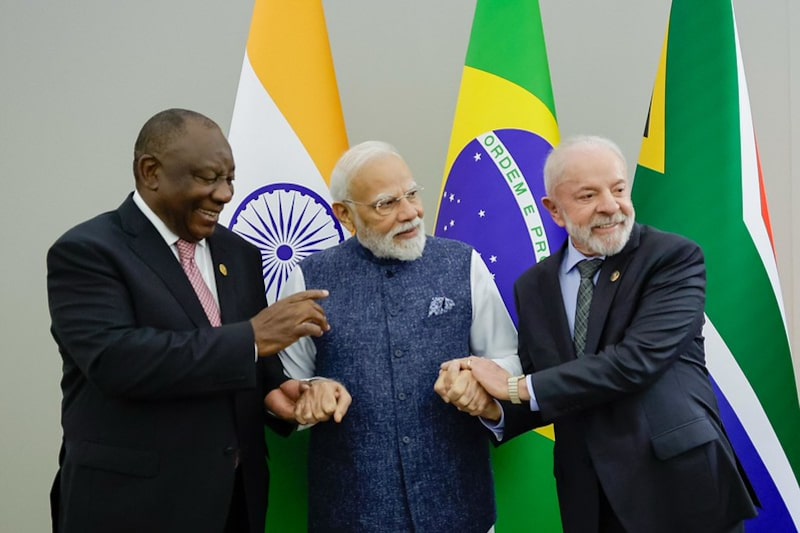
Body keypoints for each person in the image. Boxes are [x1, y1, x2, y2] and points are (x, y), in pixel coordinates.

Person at [438, 135, 759, 532]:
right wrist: (490, 405)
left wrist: (515, 387)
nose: (610, 205)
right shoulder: (533, 287)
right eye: (588, 195)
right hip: (590, 500)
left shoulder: (672, 258)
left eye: (618, 189)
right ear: (554, 211)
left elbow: (635, 362)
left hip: (679, 489)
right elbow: (550, 386)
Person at [47, 108, 330, 533]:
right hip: (133, 507)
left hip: (235, 504)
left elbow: (249, 361)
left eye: (230, 179)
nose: (225, 194)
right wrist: (251, 339)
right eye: (208, 178)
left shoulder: (239, 254)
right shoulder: (88, 252)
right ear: (151, 172)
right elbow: (116, 361)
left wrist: (276, 393)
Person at [265, 140, 522, 532]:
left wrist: (479, 382)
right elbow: (286, 384)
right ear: (345, 214)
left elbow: (508, 359)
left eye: (413, 194)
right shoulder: (309, 279)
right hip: (352, 513)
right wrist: (312, 392)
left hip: (460, 509)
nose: (411, 213)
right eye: (386, 203)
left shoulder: (463, 263)